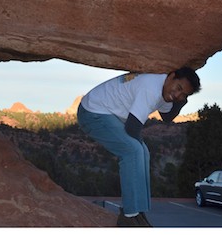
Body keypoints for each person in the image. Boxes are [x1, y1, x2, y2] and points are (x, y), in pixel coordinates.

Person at [77, 67, 201, 227]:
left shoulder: (165, 92)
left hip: (111, 115)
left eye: (184, 94)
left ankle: (138, 212)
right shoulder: (151, 87)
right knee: (133, 151)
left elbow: (167, 116)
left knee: (143, 152)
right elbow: (132, 127)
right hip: (92, 112)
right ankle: (128, 217)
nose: (178, 95)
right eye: (178, 89)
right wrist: (138, 145)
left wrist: (180, 101)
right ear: (171, 77)